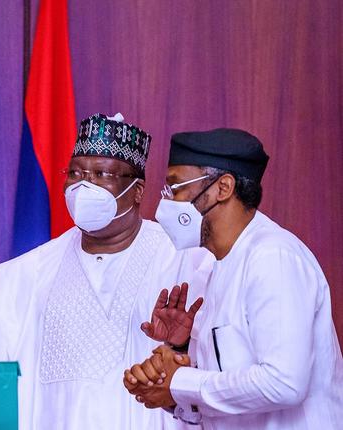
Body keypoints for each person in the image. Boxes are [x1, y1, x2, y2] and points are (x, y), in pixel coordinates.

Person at [0, 113, 212, 429]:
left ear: (137, 190)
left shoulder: (185, 261)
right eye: (75, 172)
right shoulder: (29, 274)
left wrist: (180, 344)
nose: (84, 184)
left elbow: (217, 369)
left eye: (102, 174)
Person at [123, 128, 343, 429]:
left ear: (223, 188)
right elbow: (231, 392)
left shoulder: (272, 257)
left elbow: (284, 383)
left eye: (177, 187)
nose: (168, 202)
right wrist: (178, 365)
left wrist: (182, 382)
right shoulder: (217, 267)